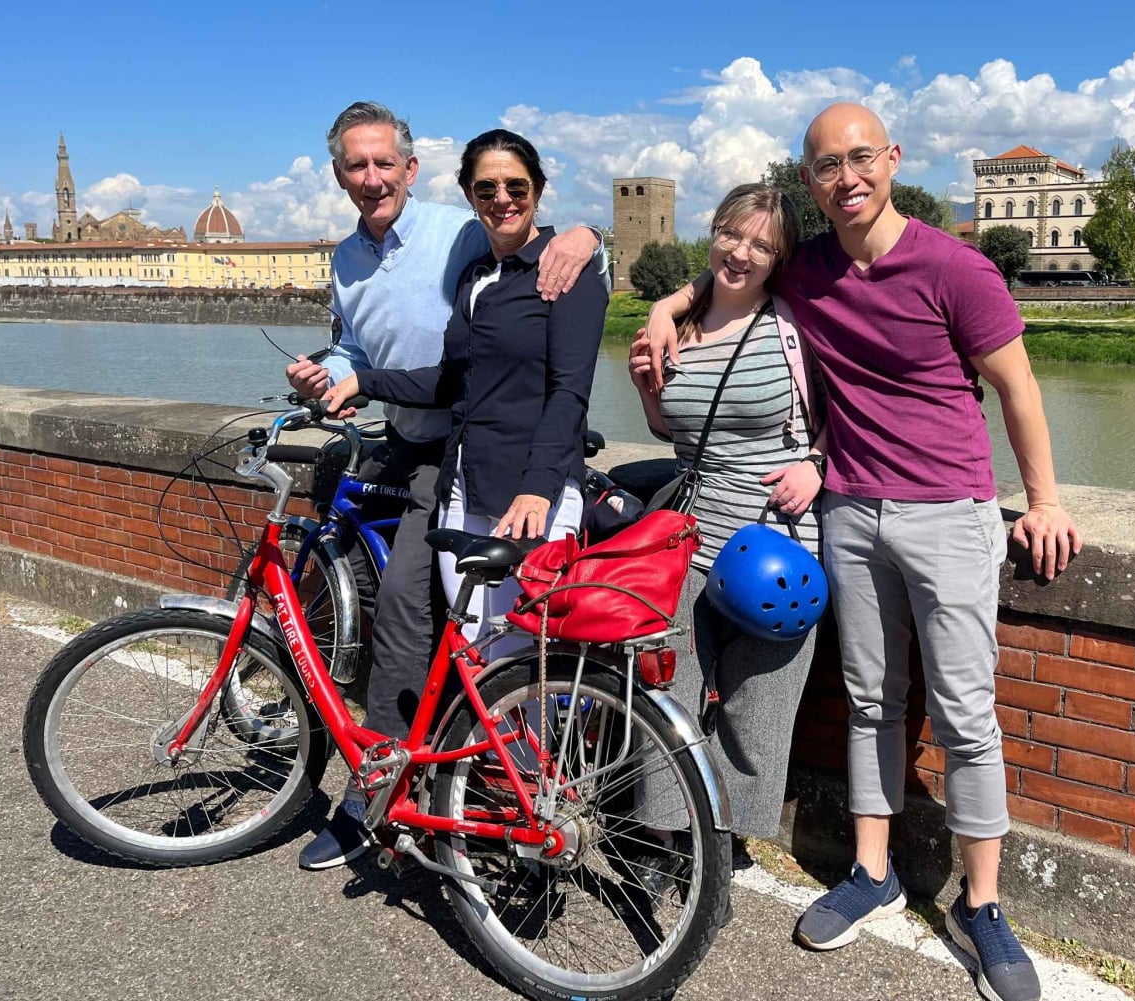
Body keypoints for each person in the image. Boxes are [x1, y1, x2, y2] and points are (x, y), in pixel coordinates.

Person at [637, 103, 1081, 1001]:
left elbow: (1019, 388)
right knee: (873, 700)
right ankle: (873, 874)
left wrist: (1043, 501)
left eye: (860, 159)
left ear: (892, 160)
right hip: (848, 511)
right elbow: (734, 273)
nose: (847, 178)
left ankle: (982, 904)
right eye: (827, 165)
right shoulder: (809, 264)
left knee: (964, 711)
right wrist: (667, 301)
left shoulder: (958, 267)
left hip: (951, 512)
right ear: (810, 181)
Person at [289, 102, 602, 870]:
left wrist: (591, 236)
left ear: (411, 168)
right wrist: (343, 376)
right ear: (338, 175)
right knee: (441, 630)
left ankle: (435, 796)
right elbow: (439, 373)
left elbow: (570, 381)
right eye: (356, 167)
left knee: (482, 639)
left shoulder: (470, 240)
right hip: (438, 456)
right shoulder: (462, 274)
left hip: (511, 479)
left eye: (383, 163)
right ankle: (432, 786)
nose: (371, 178)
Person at [325, 128, 606, 641]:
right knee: (475, 653)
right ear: (469, 195)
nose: (503, 201)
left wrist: (536, 491)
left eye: (516, 188)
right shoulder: (475, 277)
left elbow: (570, 393)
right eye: (486, 190)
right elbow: (453, 381)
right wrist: (364, 380)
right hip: (464, 487)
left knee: (526, 661)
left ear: (537, 190)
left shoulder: (566, 273)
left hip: (529, 494)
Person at [626, 182, 824, 847]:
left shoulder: (797, 324)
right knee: (667, 689)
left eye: (762, 244)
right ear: (712, 232)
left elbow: (853, 414)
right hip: (688, 534)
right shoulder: (677, 323)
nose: (741, 253)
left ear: (780, 256)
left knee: (757, 704)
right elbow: (672, 434)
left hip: (777, 542)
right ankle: (664, 832)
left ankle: (729, 837)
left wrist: (817, 463)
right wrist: (646, 392)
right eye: (731, 235)